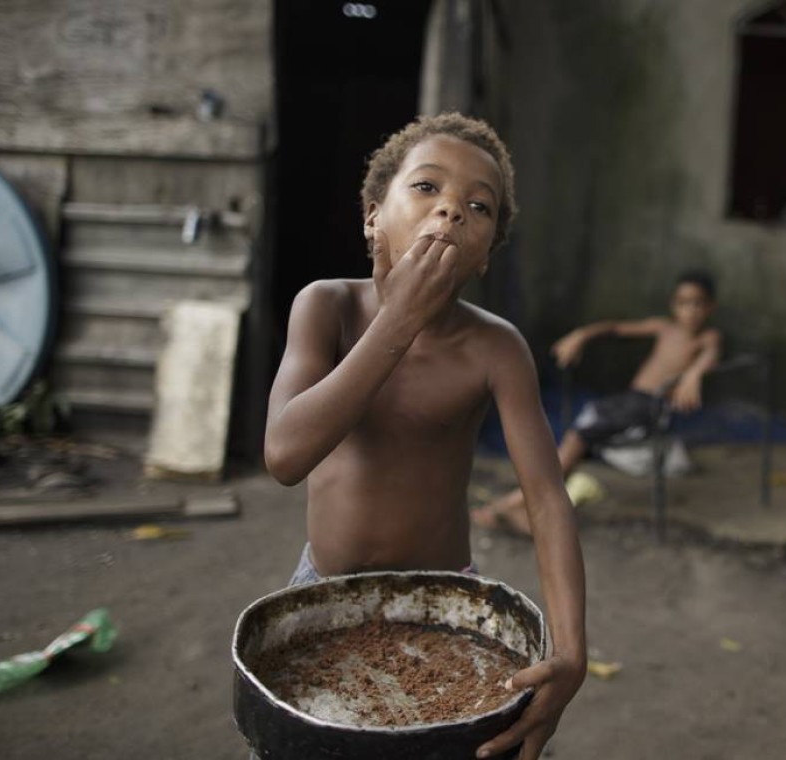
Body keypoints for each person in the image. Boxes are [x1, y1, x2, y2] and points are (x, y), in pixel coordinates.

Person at [263, 113, 585, 760]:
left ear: (488, 252)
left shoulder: (495, 349)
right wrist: (398, 320)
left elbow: (547, 502)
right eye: (426, 188)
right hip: (321, 591)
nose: (450, 212)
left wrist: (571, 652)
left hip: (448, 604)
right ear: (371, 215)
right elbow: (284, 455)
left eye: (477, 206)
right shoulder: (325, 307)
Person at [472, 270, 722, 535]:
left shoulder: (707, 337)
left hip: (650, 406)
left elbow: (711, 354)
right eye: (684, 303)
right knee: (576, 443)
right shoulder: (665, 327)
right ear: (674, 305)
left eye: (698, 304)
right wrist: (581, 335)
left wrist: (693, 375)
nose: (690, 311)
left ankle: (517, 503)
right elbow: (615, 327)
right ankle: (527, 507)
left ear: (710, 307)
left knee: (576, 440)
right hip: (629, 403)